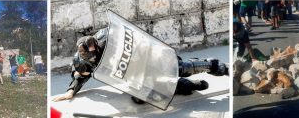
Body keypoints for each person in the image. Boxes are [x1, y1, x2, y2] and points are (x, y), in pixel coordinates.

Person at [52, 28, 226, 102]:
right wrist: (70, 91)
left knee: (181, 68)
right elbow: (80, 76)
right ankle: (184, 86)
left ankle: (213, 65)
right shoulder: (80, 60)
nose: (94, 58)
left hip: (146, 57)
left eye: (95, 53)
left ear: (96, 45)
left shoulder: (108, 35)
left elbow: (136, 38)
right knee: (142, 97)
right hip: (133, 75)